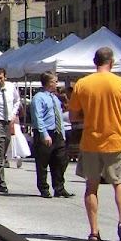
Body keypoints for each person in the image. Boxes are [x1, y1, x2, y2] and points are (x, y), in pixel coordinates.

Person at [67, 47, 121, 241]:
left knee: (91, 187)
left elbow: (73, 116)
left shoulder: (82, 84)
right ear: (112, 62)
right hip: (116, 141)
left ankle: (94, 232)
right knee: (120, 184)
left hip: (90, 141)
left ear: (95, 62)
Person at [32, 70, 73, 199]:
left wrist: (62, 133)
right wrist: (44, 134)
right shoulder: (39, 98)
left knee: (60, 160)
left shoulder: (54, 97)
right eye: (55, 81)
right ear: (49, 83)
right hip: (45, 132)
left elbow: (59, 115)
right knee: (43, 163)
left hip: (57, 132)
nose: (56, 84)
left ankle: (59, 187)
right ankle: (44, 188)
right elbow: (38, 117)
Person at [0, 68, 21, 193]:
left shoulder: (11, 87)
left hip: (8, 122)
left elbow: (17, 101)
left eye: (1, 78)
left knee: (2, 154)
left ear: (5, 77)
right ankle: (1, 182)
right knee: (0, 155)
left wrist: (13, 114)